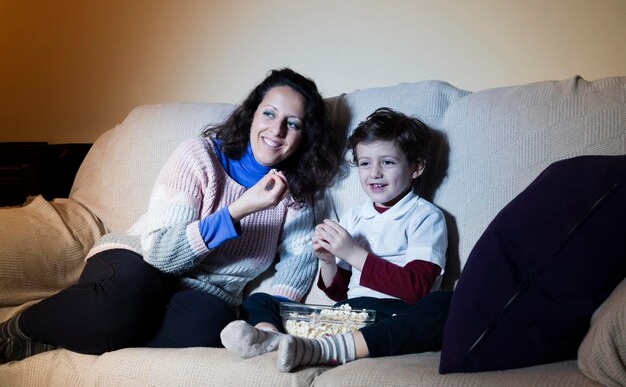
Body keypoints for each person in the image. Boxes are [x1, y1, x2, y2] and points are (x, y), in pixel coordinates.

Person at [0, 68, 341, 364]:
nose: (276, 130)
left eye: (292, 123)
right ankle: (22, 326)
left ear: (304, 137)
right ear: (252, 114)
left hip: (205, 294)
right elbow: (160, 254)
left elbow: (297, 267)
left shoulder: (296, 193)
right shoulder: (199, 156)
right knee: (124, 303)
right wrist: (240, 210)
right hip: (139, 262)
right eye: (269, 114)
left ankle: (79, 330)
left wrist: (266, 321)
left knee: (210, 324)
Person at [221, 107, 453, 372]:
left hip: (392, 315)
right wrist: (328, 261)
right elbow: (339, 293)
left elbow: (418, 289)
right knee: (259, 301)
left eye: (387, 162)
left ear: (416, 167)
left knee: (447, 305)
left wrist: (354, 253)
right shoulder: (355, 216)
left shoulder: (425, 216)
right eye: (365, 163)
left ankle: (328, 349)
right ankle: (272, 340)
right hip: (347, 314)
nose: (374, 173)